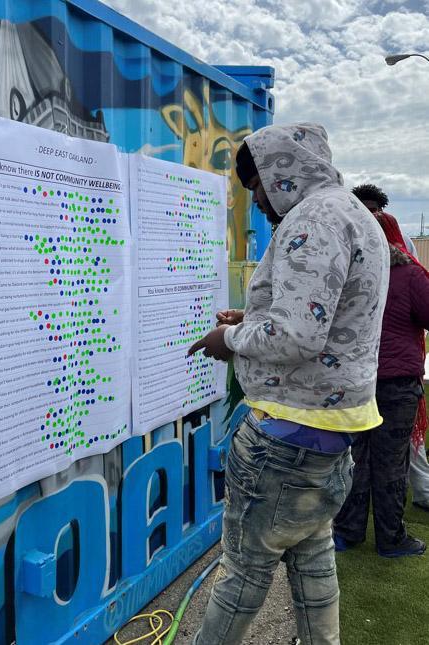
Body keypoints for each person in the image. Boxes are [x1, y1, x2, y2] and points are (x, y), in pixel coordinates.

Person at [188, 123, 389, 645]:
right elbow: (324, 316)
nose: (258, 202)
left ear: (283, 174)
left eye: (258, 188)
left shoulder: (312, 221)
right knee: (313, 565)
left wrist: (229, 339)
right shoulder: (353, 214)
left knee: (244, 577)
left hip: (285, 437)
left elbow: (298, 335)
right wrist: (251, 319)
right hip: (329, 434)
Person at [333, 189, 429, 555]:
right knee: (391, 464)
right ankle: (391, 538)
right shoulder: (408, 273)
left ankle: (347, 532)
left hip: (353, 379)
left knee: (354, 459)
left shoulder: (342, 270)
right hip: (396, 383)